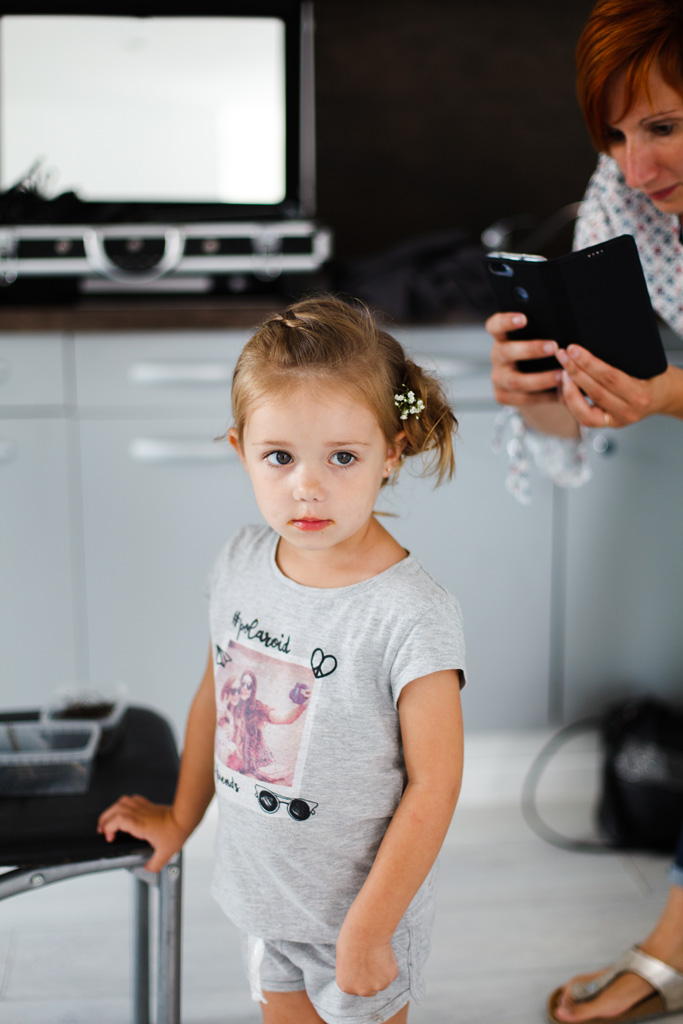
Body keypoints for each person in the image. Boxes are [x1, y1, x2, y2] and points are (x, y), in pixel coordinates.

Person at [97, 295, 466, 1024]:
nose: (307, 485)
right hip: (265, 904)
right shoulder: (239, 562)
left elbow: (434, 786)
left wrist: (367, 928)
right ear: (239, 450)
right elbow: (216, 697)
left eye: (342, 457)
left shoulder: (410, 613)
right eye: (279, 456)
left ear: (390, 453)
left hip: (359, 917)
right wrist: (181, 816)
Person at [486, 1, 683, 1021]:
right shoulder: (620, 195)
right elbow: (586, 424)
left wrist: (658, 392)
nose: (634, 164)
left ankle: (671, 949)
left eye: (661, 126)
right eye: (613, 131)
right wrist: (538, 396)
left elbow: (652, 390)